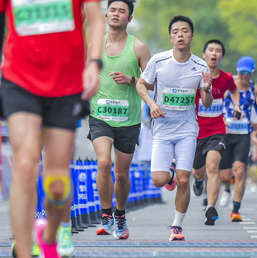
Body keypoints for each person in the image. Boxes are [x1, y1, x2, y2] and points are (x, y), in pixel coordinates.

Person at [0, 0, 105, 256]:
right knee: (25, 163)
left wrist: (93, 64)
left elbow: (95, 19)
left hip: (65, 86)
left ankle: (48, 236)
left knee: (57, 183)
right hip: (19, 80)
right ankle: (24, 252)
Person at [136, 15, 212, 241]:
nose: (180, 35)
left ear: (192, 36)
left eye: (185, 31)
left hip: (187, 129)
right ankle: (167, 173)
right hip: (162, 129)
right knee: (159, 180)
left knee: (183, 178)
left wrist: (206, 90)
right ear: (171, 37)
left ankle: (177, 226)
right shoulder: (158, 61)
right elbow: (141, 84)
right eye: (176, 31)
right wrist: (151, 105)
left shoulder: (200, 65)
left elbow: (206, 103)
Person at [88, 0, 150, 240]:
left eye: (122, 11)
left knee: (122, 174)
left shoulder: (139, 48)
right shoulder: (94, 44)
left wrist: (132, 80)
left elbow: (152, 82)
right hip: (99, 116)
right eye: (112, 10)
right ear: (106, 15)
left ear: (129, 18)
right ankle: (105, 214)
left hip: (128, 119)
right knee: (103, 163)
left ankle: (120, 214)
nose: (116, 14)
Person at [191, 39, 240, 225]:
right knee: (198, 171)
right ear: (204, 54)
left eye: (218, 51)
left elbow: (234, 91)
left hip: (217, 130)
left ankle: (211, 207)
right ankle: (197, 181)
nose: (214, 53)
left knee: (213, 167)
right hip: (196, 130)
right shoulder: (195, 75)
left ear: (221, 56)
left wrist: (236, 105)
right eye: (211, 50)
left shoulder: (226, 78)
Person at [219, 56, 257, 222]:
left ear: (252, 73)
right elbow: (217, 106)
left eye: (247, 73)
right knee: (225, 174)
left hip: (243, 134)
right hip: (226, 133)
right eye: (241, 73)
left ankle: (236, 209)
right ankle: (227, 189)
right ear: (237, 72)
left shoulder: (254, 89)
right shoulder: (228, 86)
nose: (244, 77)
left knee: (240, 171)